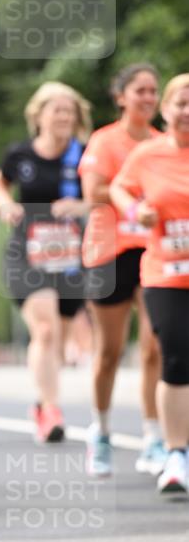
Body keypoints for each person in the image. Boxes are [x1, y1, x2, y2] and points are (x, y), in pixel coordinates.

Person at [0, 82, 92, 442]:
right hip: (27, 254)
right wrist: (4, 205)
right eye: (56, 110)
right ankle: (51, 409)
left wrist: (81, 207)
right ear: (39, 115)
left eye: (69, 111)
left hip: (70, 259)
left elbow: (102, 195)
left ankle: (43, 401)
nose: (63, 116)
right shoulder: (21, 155)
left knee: (58, 344)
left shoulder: (85, 155)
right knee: (44, 330)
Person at [79, 64, 163, 477]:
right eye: (140, 90)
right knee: (110, 352)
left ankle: (154, 437)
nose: (148, 98)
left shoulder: (167, 144)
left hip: (156, 253)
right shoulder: (105, 140)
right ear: (121, 97)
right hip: (110, 250)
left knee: (154, 347)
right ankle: (102, 430)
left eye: (153, 91)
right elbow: (93, 191)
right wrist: (136, 192)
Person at [111, 74, 189, 495]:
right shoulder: (148, 155)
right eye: (181, 102)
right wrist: (136, 209)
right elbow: (121, 188)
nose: (188, 111)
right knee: (174, 356)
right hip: (165, 274)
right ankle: (176, 454)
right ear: (166, 108)